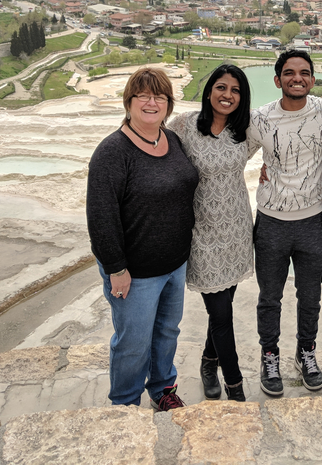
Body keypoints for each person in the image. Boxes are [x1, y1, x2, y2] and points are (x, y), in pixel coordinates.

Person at [86, 67, 198, 410]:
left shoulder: (172, 140)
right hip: (134, 273)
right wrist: (116, 268)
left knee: (167, 333)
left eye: (159, 96)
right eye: (144, 96)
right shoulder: (112, 152)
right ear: (129, 101)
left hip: (174, 265)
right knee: (133, 343)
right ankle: (124, 403)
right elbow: (101, 217)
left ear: (168, 103)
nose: (152, 103)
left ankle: (163, 388)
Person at [247, 49, 322, 397]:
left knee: (310, 296)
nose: (296, 78)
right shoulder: (260, 119)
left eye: (303, 73)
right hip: (271, 222)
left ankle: (306, 352)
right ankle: (269, 356)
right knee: (270, 297)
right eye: (289, 73)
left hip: (313, 220)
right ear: (277, 80)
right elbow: (233, 150)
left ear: (312, 80)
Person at [168, 64, 255, 403]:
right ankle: (236, 390)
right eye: (221, 87)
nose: (227, 95)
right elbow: (151, 142)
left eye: (235, 91)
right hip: (201, 234)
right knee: (221, 315)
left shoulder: (244, 130)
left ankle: (208, 361)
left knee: (223, 308)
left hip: (236, 231)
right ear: (209, 91)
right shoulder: (185, 126)